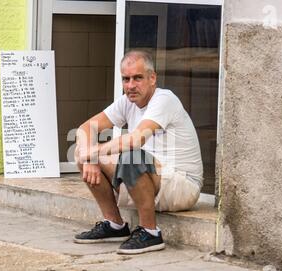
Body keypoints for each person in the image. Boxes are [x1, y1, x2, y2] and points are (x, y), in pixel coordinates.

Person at [74, 50, 203, 255]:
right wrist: (88, 157)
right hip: (153, 177)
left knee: (131, 155)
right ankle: (115, 225)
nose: (131, 85)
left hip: (182, 185)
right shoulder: (127, 101)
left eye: (137, 78)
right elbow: (85, 128)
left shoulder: (164, 99)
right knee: (82, 153)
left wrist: (92, 152)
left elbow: (136, 140)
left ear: (152, 78)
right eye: (126, 79)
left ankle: (150, 233)